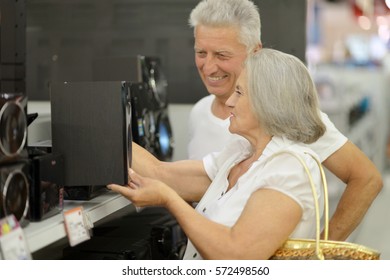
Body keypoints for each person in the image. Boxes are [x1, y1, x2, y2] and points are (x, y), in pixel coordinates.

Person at [186, 0, 382, 241]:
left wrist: (323, 249)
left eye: (222, 55)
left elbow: (366, 179)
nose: (208, 66)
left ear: (254, 52)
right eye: (201, 53)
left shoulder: (290, 117)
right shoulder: (199, 112)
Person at [109, 48, 326, 260]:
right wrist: (102, 133)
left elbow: (236, 255)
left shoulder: (290, 167)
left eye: (239, 92)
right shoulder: (240, 153)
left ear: (268, 103)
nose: (230, 101)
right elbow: (161, 174)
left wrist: (169, 200)